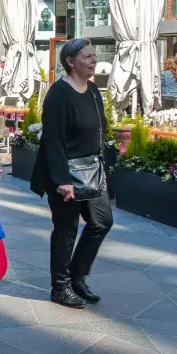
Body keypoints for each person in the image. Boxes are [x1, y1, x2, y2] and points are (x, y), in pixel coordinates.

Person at [30, 38, 112, 309]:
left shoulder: (92, 90)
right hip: (66, 173)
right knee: (66, 230)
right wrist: (62, 181)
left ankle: (77, 276)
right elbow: (52, 140)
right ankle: (60, 287)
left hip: (92, 170)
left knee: (101, 222)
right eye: (87, 56)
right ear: (70, 61)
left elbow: (101, 129)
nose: (93, 60)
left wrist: (103, 165)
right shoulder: (59, 93)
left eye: (93, 55)